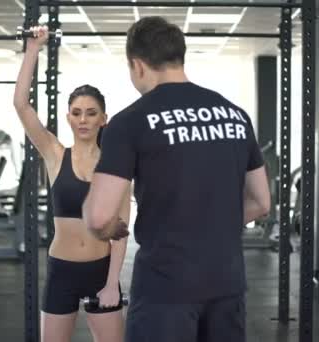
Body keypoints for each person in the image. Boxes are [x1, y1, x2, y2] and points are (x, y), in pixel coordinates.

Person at [82, 16, 272, 342]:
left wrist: (107, 227)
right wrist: (214, 224)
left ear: (137, 65)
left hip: (165, 287)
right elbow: (261, 201)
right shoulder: (236, 115)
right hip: (226, 283)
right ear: (178, 57)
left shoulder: (129, 123)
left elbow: (99, 217)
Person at [13, 26, 130, 342]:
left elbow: (120, 233)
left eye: (91, 113)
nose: (83, 119)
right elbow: (22, 106)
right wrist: (33, 49)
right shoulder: (54, 154)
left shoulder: (116, 167)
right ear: (68, 118)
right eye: (77, 113)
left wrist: (111, 283)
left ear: (103, 119)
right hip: (61, 270)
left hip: (101, 271)